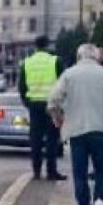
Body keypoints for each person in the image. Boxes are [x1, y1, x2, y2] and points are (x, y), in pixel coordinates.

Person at [48, 43, 103, 205]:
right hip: (102, 128)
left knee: (80, 171)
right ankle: (100, 200)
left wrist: (58, 117)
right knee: (102, 168)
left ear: (79, 57)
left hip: (76, 130)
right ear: (97, 57)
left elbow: (53, 99)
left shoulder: (69, 74)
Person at [18, 35, 66, 181]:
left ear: (35, 46)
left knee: (36, 139)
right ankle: (51, 172)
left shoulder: (26, 63)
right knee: (52, 139)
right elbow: (62, 84)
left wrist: (28, 102)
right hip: (52, 105)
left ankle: (36, 171)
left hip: (34, 105)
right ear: (47, 45)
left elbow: (21, 86)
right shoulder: (55, 61)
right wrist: (61, 105)